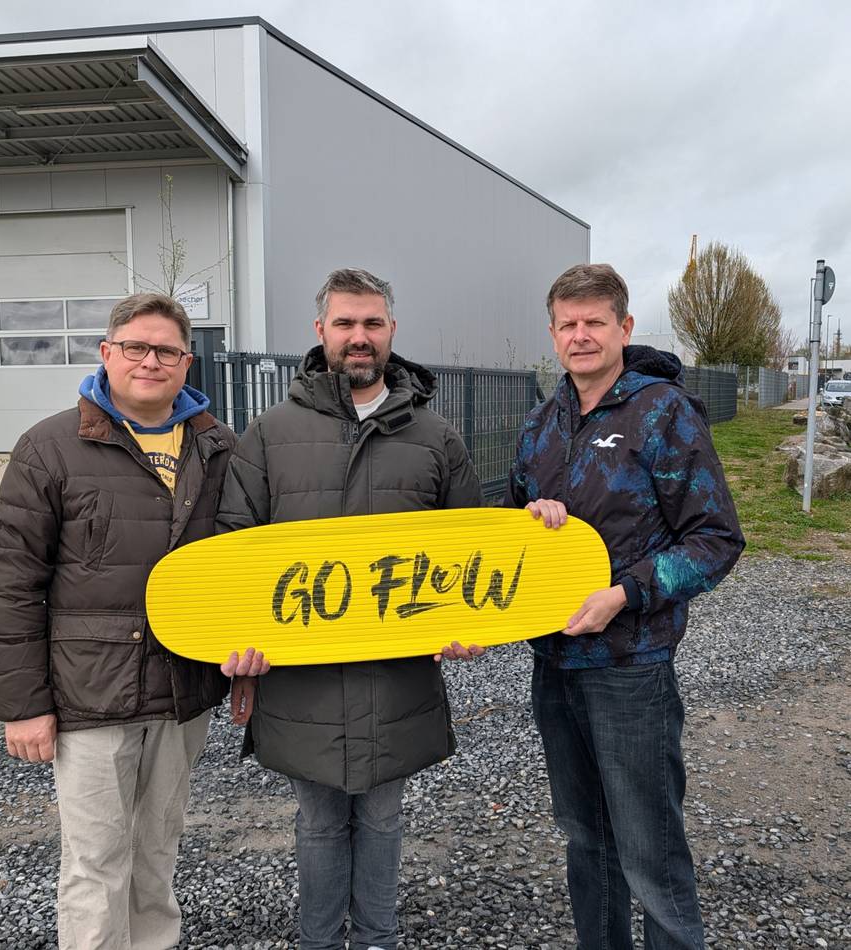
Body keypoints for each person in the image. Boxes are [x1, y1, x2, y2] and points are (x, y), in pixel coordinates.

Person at [218, 267, 484, 950]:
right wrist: (239, 641)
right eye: (345, 323)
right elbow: (233, 550)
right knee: (317, 822)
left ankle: (376, 939)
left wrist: (466, 628)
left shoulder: (436, 438)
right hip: (301, 678)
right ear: (321, 331)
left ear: (392, 330)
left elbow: (469, 555)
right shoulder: (270, 435)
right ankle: (317, 941)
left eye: (372, 323)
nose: (358, 336)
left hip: (396, 676)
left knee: (384, 818)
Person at [0, 292, 258, 950]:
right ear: (107, 353)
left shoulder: (220, 447)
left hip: (182, 689)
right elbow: (13, 582)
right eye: (135, 347)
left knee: (156, 854)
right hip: (90, 695)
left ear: (187, 363)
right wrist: (23, 705)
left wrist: (245, 661)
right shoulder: (50, 447)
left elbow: (243, 566)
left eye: (165, 350)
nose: (149, 361)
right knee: (96, 862)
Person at [505, 263, 744, 949]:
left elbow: (716, 539)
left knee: (650, 850)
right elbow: (509, 537)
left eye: (594, 322)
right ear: (552, 333)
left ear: (624, 327)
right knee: (586, 838)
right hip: (555, 664)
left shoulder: (662, 413)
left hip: (630, 667)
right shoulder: (540, 426)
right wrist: (530, 518)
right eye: (567, 324)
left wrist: (626, 593)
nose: (580, 336)